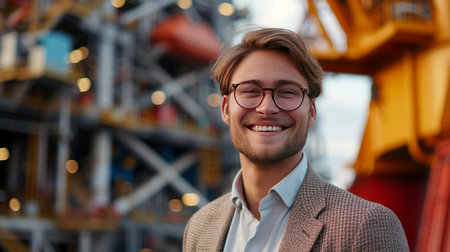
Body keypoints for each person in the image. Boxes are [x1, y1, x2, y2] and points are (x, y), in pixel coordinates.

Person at [183, 27, 409, 251]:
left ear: (311, 111)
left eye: (287, 92)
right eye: (250, 91)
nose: (267, 108)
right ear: (225, 109)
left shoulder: (366, 226)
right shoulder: (200, 228)